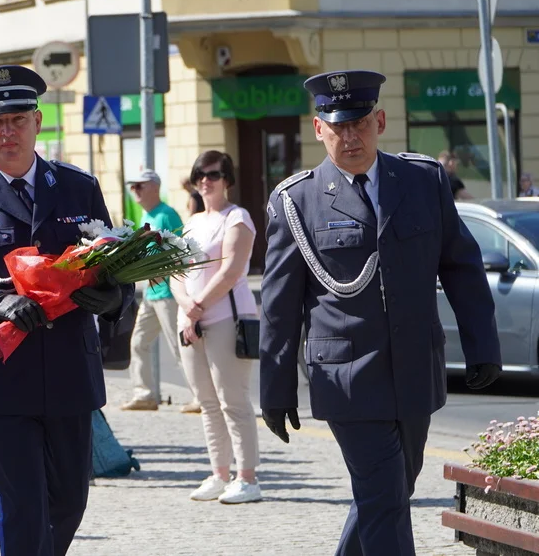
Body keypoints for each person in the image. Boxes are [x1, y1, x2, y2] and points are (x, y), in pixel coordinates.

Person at [260, 70, 502, 555]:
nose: (351, 136)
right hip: (346, 377)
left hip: (415, 370)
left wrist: (483, 346)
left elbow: (461, 265)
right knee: (385, 499)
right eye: (339, 127)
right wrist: (276, 388)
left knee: (387, 494)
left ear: (381, 121)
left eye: (361, 124)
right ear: (318, 129)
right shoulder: (297, 201)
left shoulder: (422, 179)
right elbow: (279, 304)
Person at [0, 65, 134, 556]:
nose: (8, 131)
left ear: (38, 122)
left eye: (17, 119)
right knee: (24, 505)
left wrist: (116, 298)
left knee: (70, 501)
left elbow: (113, 262)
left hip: (69, 372)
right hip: (1, 375)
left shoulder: (78, 187)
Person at [172, 150, 262, 504]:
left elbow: (231, 270)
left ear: (227, 180)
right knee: (207, 403)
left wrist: (198, 307)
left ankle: (248, 478)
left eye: (213, 175)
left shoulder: (237, 218)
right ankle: (219, 473)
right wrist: (187, 309)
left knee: (233, 401)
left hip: (227, 317)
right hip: (192, 320)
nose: (206, 181)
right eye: (200, 175)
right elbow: (174, 270)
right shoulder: (191, 222)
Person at [120, 169, 185, 412]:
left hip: (168, 292)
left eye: (140, 186)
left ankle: (201, 396)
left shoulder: (167, 215)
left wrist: (173, 280)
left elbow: (182, 250)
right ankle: (144, 394)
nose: (134, 190)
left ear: (155, 188)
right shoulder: (146, 215)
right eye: (132, 186)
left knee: (180, 347)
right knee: (138, 342)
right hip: (151, 291)